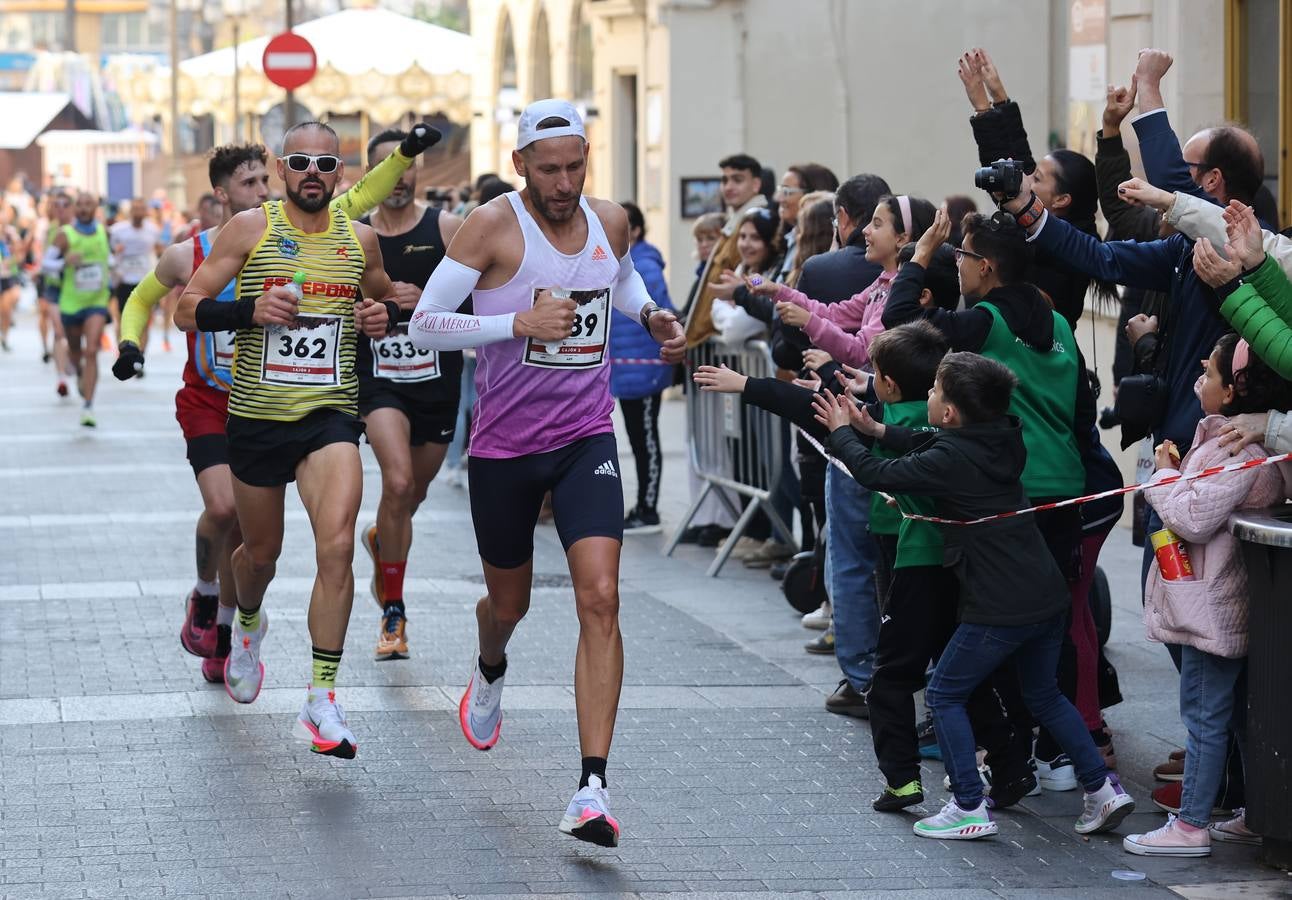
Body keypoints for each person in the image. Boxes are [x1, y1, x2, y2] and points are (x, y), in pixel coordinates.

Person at [408, 99, 685, 846]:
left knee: (601, 597)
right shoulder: (491, 226)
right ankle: (490, 662)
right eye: (549, 169)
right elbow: (425, 323)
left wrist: (651, 315)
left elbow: (620, 281)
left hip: (585, 437)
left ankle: (592, 787)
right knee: (511, 604)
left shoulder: (610, 220)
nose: (564, 184)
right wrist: (515, 324)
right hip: (504, 448)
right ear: (520, 163)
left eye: (575, 167)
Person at [811, 352, 1135, 840]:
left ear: (949, 413)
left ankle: (967, 805)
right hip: (1046, 594)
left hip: (1000, 603)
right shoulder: (1004, 436)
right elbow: (927, 443)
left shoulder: (950, 457)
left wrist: (841, 434)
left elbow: (878, 475)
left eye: (934, 391)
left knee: (944, 693)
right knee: (1044, 695)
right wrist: (876, 430)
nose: (928, 395)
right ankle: (1103, 789)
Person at [173, 121, 398, 759]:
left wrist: (379, 316)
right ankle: (246, 622)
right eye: (300, 162)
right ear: (281, 168)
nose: (312, 174)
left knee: (337, 546)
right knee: (260, 556)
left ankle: (321, 698)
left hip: (330, 415)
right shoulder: (251, 229)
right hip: (256, 419)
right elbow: (187, 307)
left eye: (325, 164)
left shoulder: (361, 240)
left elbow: (383, 302)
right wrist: (249, 311)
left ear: (341, 172)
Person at [1124, 333, 1289, 856]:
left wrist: (1164, 474)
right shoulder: (1226, 439)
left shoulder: (1238, 449)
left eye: (1209, 373)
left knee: (1203, 716)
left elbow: (1193, 517)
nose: (1200, 375)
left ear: (1234, 391)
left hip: (1210, 610)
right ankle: (1255, 811)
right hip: (1218, 601)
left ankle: (1191, 825)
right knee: (1236, 715)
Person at [355, 128, 463, 661]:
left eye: (408, 167)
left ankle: (383, 540)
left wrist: (430, 303)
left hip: (436, 382)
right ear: (371, 175)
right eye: (388, 169)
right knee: (396, 482)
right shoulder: (353, 235)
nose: (399, 178)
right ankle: (393, 613)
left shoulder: (447, 229)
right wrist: (361, 312)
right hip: (379, 380)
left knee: (410, 497)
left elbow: (483, 299)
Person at [609, 200, 674, 535]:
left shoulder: (645, 266)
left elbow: (663, 311)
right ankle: (643, 505)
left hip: (645, 370)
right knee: (637, 440)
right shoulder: (612, 264)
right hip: (626, 371)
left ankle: (648, 508)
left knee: (646, 440)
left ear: (634, 230)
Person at [684, 152, 767, 346]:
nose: (729, 187)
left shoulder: (761, 220)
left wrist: (745, 288)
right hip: (717, 333)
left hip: (737, 340)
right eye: (725, 180)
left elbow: (763, 276)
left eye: (737, 180)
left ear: (756, 184)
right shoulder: (735, 223)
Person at [45, 191, 111, 427]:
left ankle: (88, 407)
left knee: (91, 350)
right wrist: (64, 262)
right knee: (75, 352)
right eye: (80, 205)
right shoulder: (65, 234)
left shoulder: (103, 232)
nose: (83, 208)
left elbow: (107, 259)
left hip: (97, 301)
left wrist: (115, 267)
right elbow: (45, 263)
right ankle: (80, 371)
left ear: (95, 208)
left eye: (88, 204)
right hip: (71, 303)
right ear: (75, 209)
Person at [109, 199, 162, 349]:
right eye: (135, 208)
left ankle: (140, 354)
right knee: (122, 320)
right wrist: (115, 254)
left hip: (145, 281)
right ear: (130, 211)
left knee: (144, 321)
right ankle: (123, 352)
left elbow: (159, 250)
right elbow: (109, 252)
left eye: (141, 208)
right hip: (124, 280)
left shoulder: (153, 230)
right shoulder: (117, 230)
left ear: (146, 211)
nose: (138, 212)